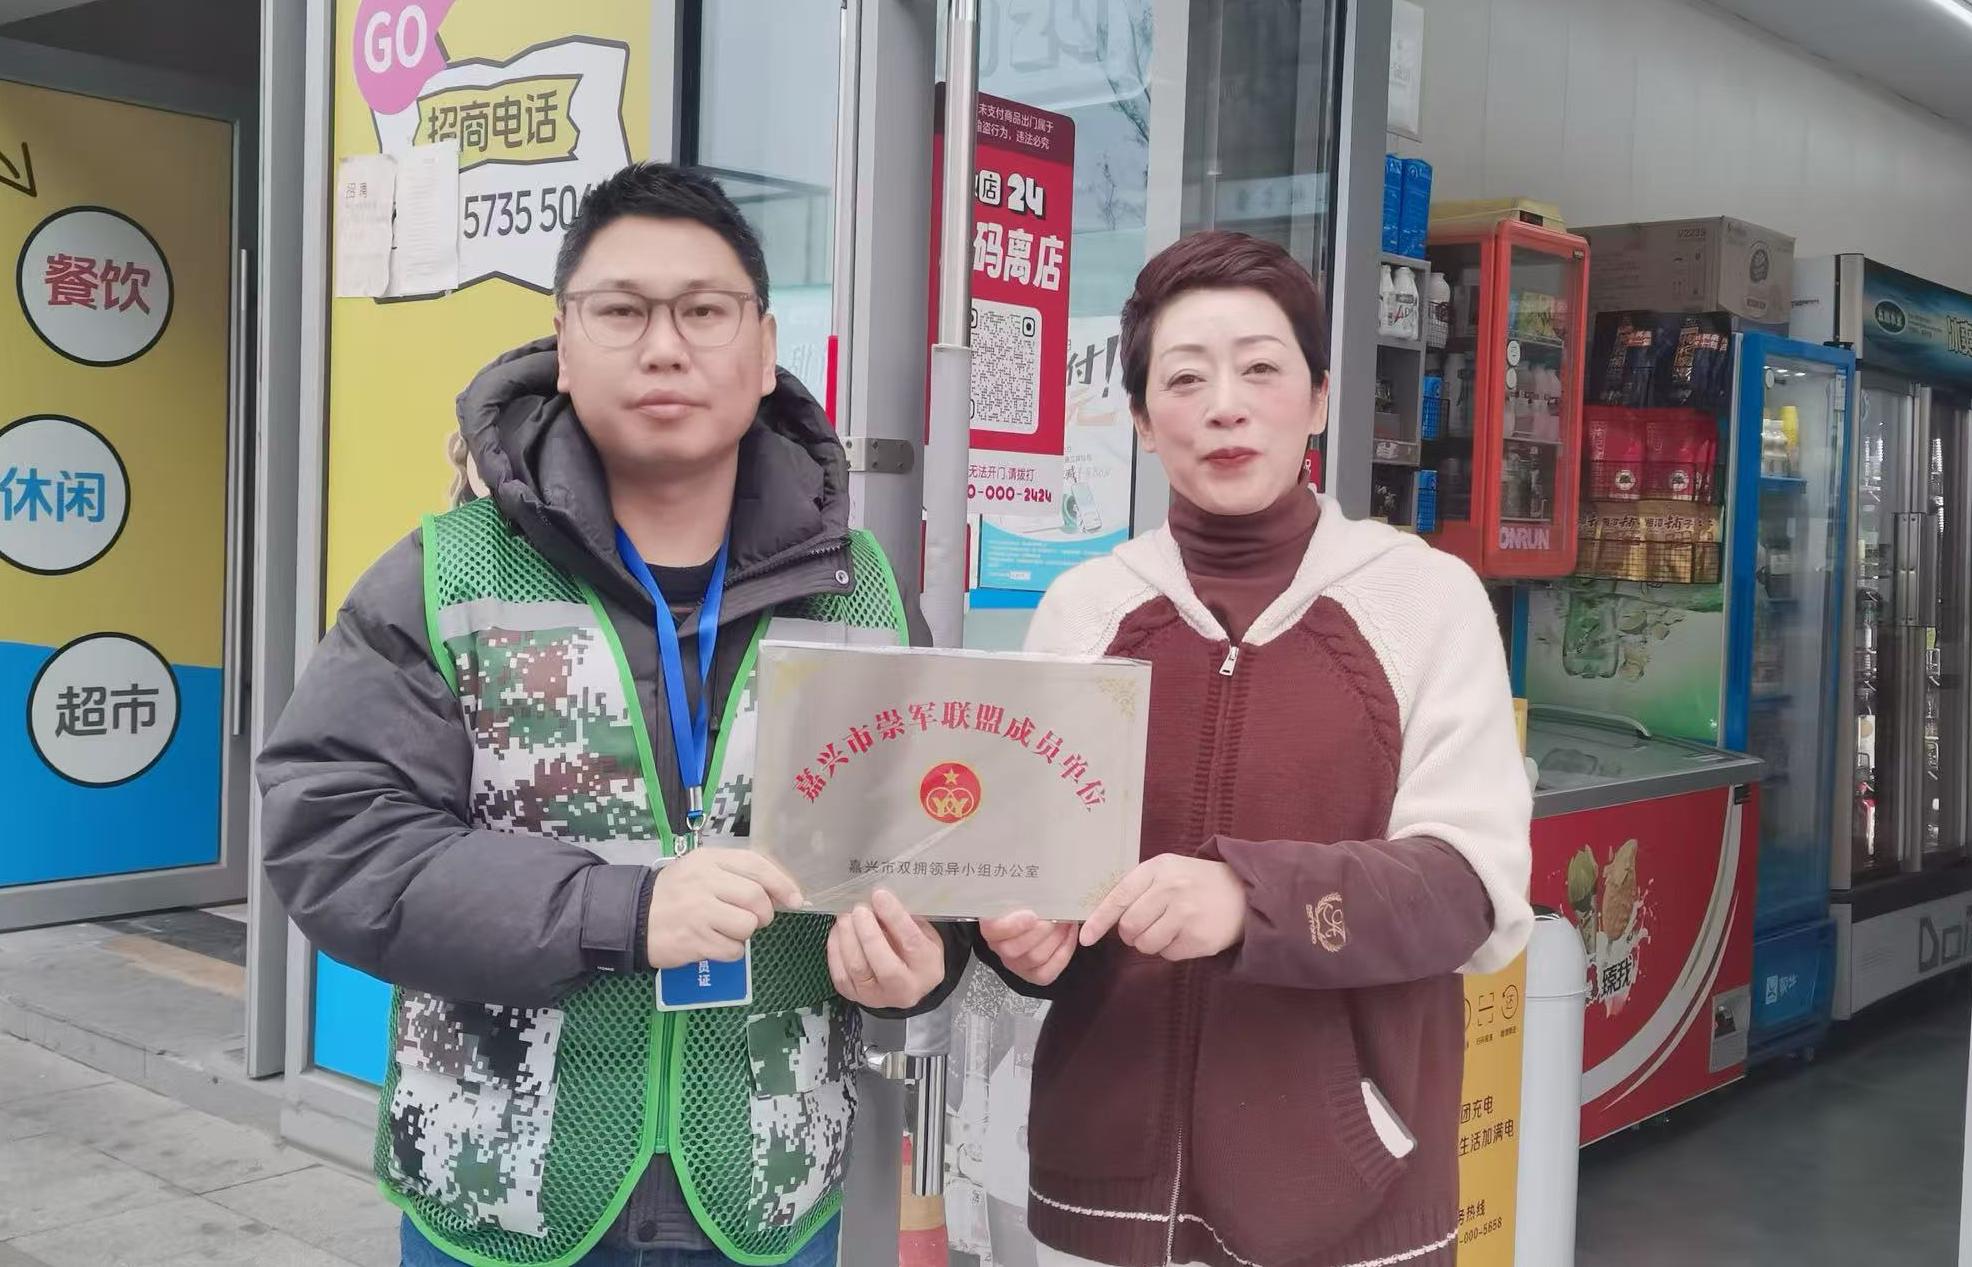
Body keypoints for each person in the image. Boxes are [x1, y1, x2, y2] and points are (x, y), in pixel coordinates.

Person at [258, 163, 968, 1267]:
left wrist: (929, 955)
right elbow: (337, 838)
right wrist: (619, 911)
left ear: (765, 346)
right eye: (622, 310)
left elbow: (934, 844)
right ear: (563, 339)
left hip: (770, 1189)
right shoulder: (445, 575)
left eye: (705, 311)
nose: (665, 346)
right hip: (498, 1188)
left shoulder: (863, 591)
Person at [976, 230, 1533, 1267]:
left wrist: (1252, 900)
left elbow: (1468, 893)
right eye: (1185, 378)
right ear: (1143, 420)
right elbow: (1031, 871)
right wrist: (1024, 937)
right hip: (1103, 1190)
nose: (1224, 406)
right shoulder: (1085, 611)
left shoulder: (1424, 600)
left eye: (1261, 369)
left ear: (1318, 400)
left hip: (1348, 1200)